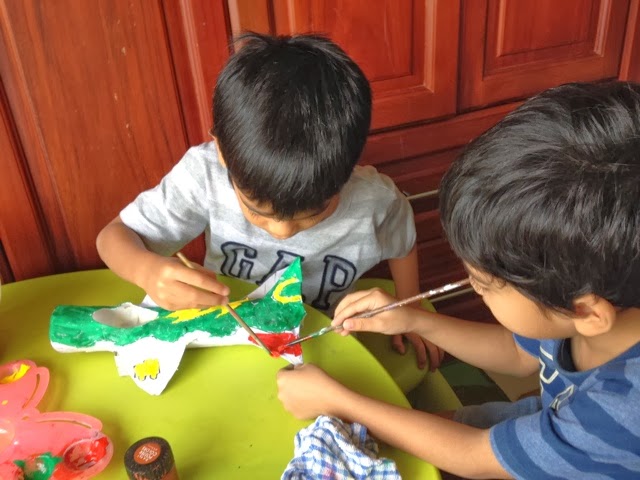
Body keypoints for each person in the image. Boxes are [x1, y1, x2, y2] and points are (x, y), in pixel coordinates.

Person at [277, 81, 640, 479]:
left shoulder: (625, 411)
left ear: (587, 313)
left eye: (484, 284)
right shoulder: (584, 291)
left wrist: (339, 403)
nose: (471, 284)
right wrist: (414, 319)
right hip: (543, 419)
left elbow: (474, 456)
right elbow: (519, 354)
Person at [96, 32, 442, 370]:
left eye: (313, 213)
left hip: (319, 349)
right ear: (222, 152)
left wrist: (410, 306)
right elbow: (113, 237)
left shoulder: (376, 200)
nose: (282, 231)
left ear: (347, 173)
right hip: (225, 343)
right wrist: (148, 272)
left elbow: (403, 242)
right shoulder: (205, 177)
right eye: (256, 210)